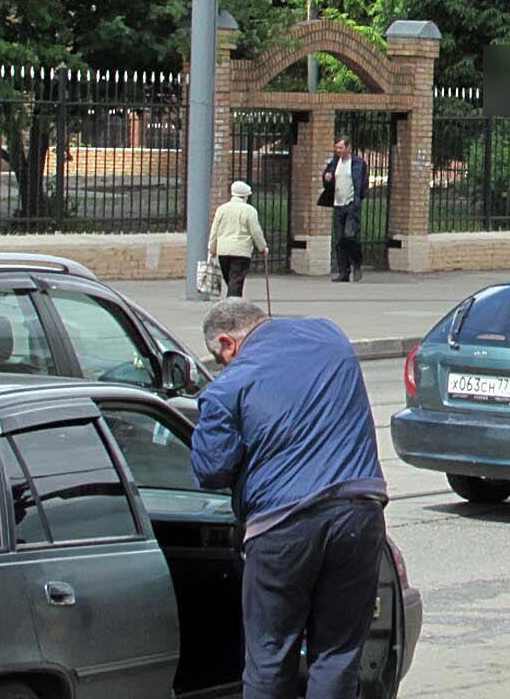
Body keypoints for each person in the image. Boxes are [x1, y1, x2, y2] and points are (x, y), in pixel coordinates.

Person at [192, 298, 387, 699]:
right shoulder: (330, 336)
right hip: (359, 512)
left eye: (221, 359)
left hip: (281, 528)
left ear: (227, 343)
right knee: (337, 656)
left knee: (269, 658)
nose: (224, 366)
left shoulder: (228, 386)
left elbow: (212, 470)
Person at [318, 137, 368, 283]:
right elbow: (328, 180)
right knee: (340, 240)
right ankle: (343, 272)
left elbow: (363, 184)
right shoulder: (334, 163)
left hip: (351, 204)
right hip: (338, 204)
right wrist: (327, 178)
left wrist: (357, 200)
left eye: (340, 148)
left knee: (350, 236)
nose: (338, 150)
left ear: (348, 148)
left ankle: (356, 263)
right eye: (336, 148)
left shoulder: (358, 163)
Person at [209, 180, 269, 298]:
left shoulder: (222, 209)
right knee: (236, 281)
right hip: (241, 251)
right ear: (246, 196)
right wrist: (263, 247)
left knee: (230, 280)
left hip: (223, 251)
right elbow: (255, 231)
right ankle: (233, 304)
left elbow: (214, 231)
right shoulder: (249, 210)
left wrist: (212, 248)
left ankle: (232, 300)